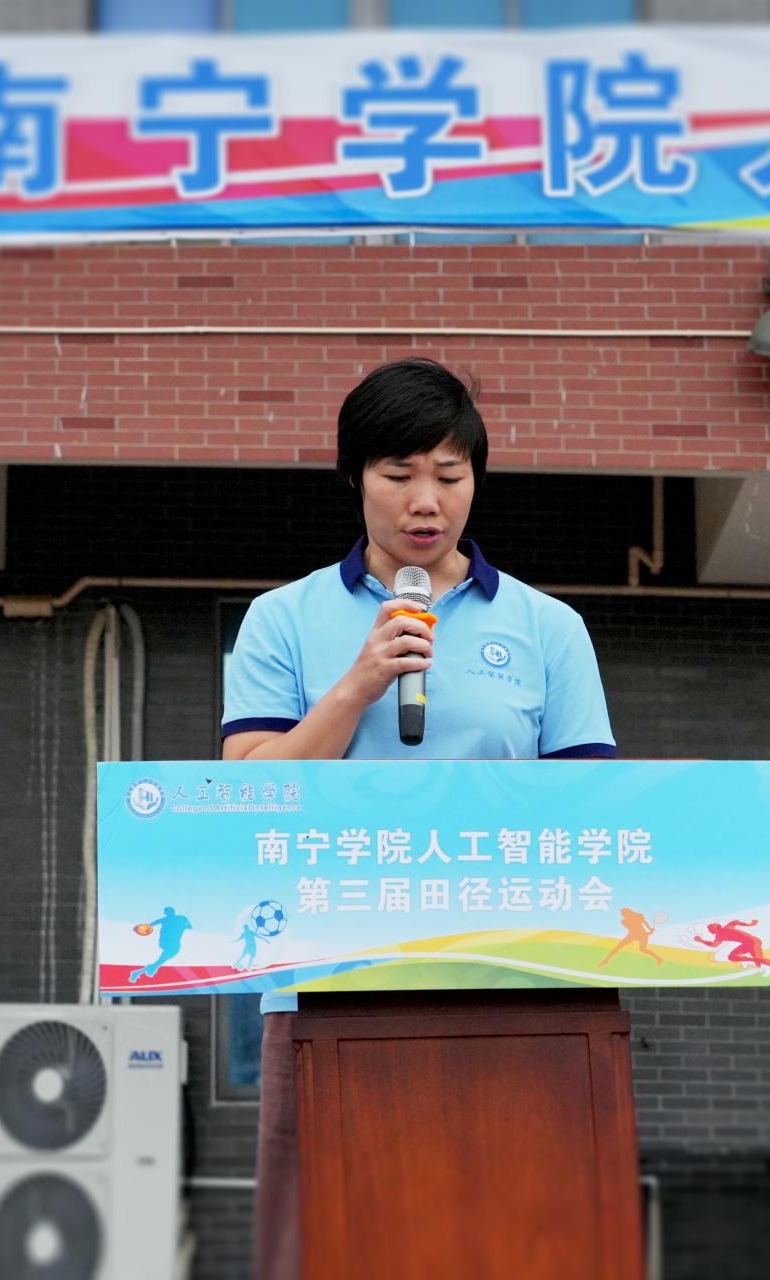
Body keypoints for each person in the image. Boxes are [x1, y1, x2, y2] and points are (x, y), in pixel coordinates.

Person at [221, 357, 616, 1280]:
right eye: (398, 474)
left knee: (507, 1235)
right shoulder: (282, 619)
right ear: (355, 479)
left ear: (476, 480)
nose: (425, 501)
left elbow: (587, 812)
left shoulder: (549, 627)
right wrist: (358, 685)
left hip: (507, 978)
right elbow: (247, 796)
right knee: (323, 1240)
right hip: (324, 980)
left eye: (449, 474)